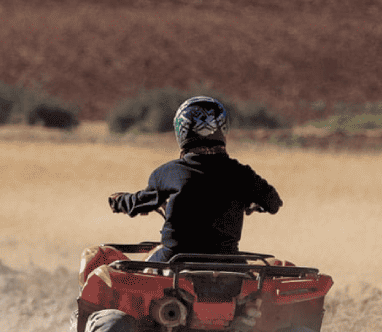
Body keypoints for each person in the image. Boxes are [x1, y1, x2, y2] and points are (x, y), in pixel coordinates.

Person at [108, 96, 282, 262]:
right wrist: (252, 204)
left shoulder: (168, 173)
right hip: (228, 265)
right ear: (222, 128)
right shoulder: (243, 174)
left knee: (110, 261)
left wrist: (119, 201)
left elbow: (138, 203)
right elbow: (273, 202)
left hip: (175, 261)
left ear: (182, 131)